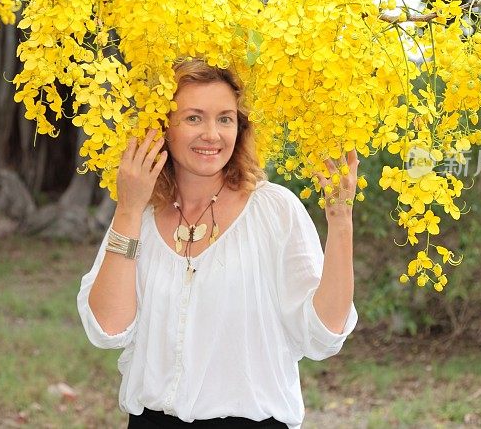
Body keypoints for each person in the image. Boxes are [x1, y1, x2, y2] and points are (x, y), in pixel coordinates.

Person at [77, 58, 359, 428]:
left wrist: (340, 224)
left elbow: (323, 334)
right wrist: (128, 208)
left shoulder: (273, 210)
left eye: (225, 118)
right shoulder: (140, 216)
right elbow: (107, 328)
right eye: (194, 118)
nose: (212, 134)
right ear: (164, 128)